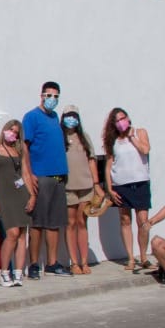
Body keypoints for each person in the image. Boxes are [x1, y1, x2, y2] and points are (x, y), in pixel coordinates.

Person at [21, 81, 70, 278]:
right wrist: (30, 173)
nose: (52, 99)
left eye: (56, 96)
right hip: (41, 176)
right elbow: (25, 146)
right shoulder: (31, 117)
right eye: (49, 95)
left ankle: (52, 262)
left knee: (54, 223)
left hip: (58, 177)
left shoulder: (55, 117)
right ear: (41, 95)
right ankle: (33, 263)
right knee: (38, 223)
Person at [0, 120, 34, 287]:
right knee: (12, 233)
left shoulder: (21, 150)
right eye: (10, 130)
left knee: (22, 235)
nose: (12, 133)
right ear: (4, 130)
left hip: (21, 194)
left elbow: (26, 174)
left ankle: (18, 272)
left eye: (16, 132)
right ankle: (3, 271)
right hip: (5, 196)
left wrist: (32, 196)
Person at [103, 107, 153, 272]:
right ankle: (131, 257)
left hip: (140, 182)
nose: (120, 122)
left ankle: (144, 256)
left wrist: (132, 137)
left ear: (128, 118)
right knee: (125, 220)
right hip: (121, 185)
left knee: (143, 221)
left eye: (122, 118)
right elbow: (109, 164)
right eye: (117, 120)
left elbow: (145, 150)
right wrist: (109, 188)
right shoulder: (114, 141)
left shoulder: (140, 132)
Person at [61, 104, 98, 274]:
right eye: (68, 115)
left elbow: (92, 160)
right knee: (71, 223)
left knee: (82, 222)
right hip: (69, 186)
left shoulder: (84, 137)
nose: (71, 119)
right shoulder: (60, 138)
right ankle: (73, 262)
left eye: (74, 115)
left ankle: (84, 262)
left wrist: (96, 183)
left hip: (86, 186)